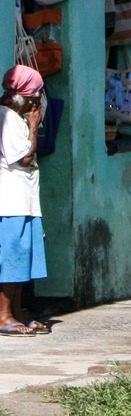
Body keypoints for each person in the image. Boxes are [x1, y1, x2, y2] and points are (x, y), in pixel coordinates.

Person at [0, 65, 48, 336]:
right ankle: (3, 315)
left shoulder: (15, 117)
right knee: (10, 258)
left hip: (25, 200)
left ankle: (17, 313)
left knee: (22, 260)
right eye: (36, 94)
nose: (37, 100)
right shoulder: (5, 116)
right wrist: (33, 126)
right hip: (10, 200)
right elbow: (24, 158)